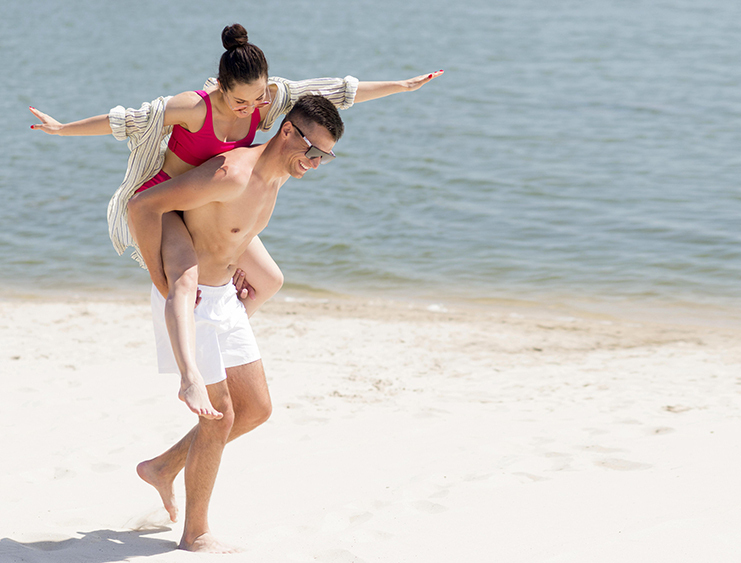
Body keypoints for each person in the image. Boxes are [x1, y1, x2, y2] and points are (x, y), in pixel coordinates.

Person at [30, 23, 444, 420]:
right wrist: (63, 129)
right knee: (183, 282)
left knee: (270, 280)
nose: (252, 108)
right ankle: (190, 371)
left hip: (213, 200)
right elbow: (128, 120)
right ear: (220, 87)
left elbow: (332, 92)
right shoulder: (193, 107)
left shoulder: (268, 102)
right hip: (169, 200)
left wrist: (401, 86)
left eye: (259, 98)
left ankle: (218, 333)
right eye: (240, 102)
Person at [127, 94, 344, 553]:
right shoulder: (231, 174)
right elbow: (144, 207)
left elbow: (234, 230)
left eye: (325, 156)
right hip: (193, 295)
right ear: (288, 132)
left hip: (224, 295)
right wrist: (161, 278)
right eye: (313, 151)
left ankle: (162, 467)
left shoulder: (279, 174)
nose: (316, 163)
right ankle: (195, 534)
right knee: (220, 416)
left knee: (256, 409)